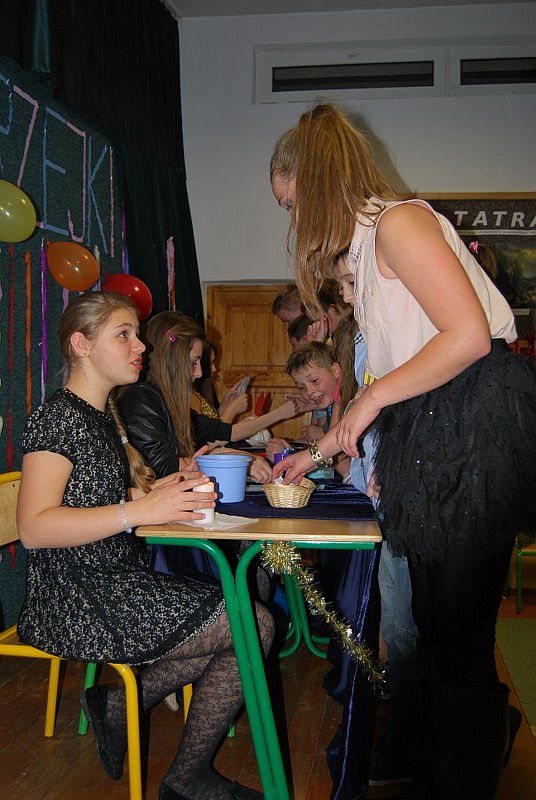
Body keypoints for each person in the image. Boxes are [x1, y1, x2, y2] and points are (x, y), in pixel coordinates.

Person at [270, 104, 536, 800]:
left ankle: (464, 773)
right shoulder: (363, 255)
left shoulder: (399, 223)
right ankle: (457, 754)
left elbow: (469, 337)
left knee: (457, 634)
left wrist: (366, 404)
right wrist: (319, 452)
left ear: (317, 182)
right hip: (435, 426)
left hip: (474, 422)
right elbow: (394, 380)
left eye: (291, 203)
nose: (292, 221)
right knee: (436, 629)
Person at [16, 290, 273, 800]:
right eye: (124, 335)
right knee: (253, 625)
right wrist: (137, 511)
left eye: (137, 335)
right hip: (74, 596)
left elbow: (93, 495)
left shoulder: (97, 415)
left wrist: (154, 493)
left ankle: (121, 711)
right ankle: (183, 774)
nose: (141, 347)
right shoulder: (59, 419)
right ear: (81, 345)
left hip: (113, 580)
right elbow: (35, 528)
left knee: (247, 623)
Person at [118, 311, 299, 578]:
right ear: (172, 360)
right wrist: (235, 459)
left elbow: (219, 433)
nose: (200, 372)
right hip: (156, 541)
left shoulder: (167, 402)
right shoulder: (139, 399)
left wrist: (231, 455)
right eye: (193, 363)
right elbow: (166, 468)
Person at [193, 339, 250, 424]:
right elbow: (213, 431)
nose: (215, 369)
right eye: (211, 363)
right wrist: (233, 409)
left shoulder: (207, 387)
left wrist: (224, 406)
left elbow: (214, 422)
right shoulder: (190, 395)